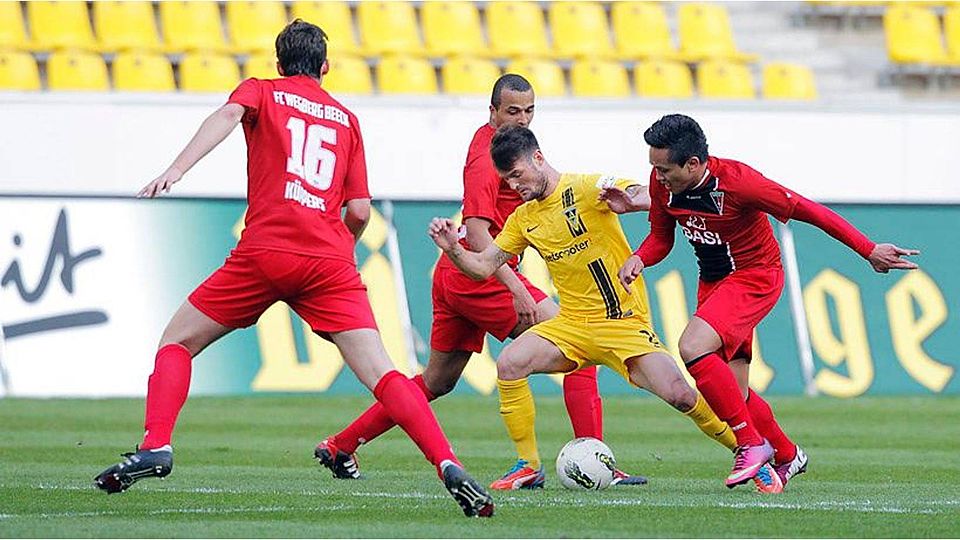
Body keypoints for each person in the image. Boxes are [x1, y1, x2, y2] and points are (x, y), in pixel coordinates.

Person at [93, 20, 494, 518]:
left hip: (265, 250)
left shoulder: (261, 91)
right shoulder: (347, 120)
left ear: (279, 63)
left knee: (177, 343)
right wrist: (338, 255)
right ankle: (448, 464)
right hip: (328, 259)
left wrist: (177, 169)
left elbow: (226, 115)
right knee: (385, 374)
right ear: (325, 67)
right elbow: (361, 211)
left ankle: (156, 444)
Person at [316, 74, 646, 491]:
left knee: (437, 381)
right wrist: (518, 288)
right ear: (492, 112)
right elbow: (476, 234)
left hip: (455, 278)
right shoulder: (483, 161)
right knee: (580, 342)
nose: (521, 120)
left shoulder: (507, 149)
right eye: (512, 111)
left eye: (529, 111)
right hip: (478, 277)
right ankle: (593, 462)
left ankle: (340, 445)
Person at [604, 113, 920, 492]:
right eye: (653, 167)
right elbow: (661, 236)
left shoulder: (739, 183)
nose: (657, 175)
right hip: (714, 283)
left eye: (665, 168)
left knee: (691, 346)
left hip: (755, 277)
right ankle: (788, 455)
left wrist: (868, 249)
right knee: (730, 391)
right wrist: (641, 257)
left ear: (693, 163)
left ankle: (751, 444)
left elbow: (809, 210)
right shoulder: (663, 184)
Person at [428, 125, 745, 488]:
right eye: (507, 180)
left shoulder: (588, 187)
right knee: (511, 362)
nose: (514, 185)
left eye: (517, 175)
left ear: (538, 158)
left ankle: (746, 448)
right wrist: (453, 248)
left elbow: (643, 193)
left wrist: (638, 200)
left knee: (681, 394)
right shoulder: (523, 218)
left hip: (623, 322)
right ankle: (528, 465)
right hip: (573, 325)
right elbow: (484, 266)